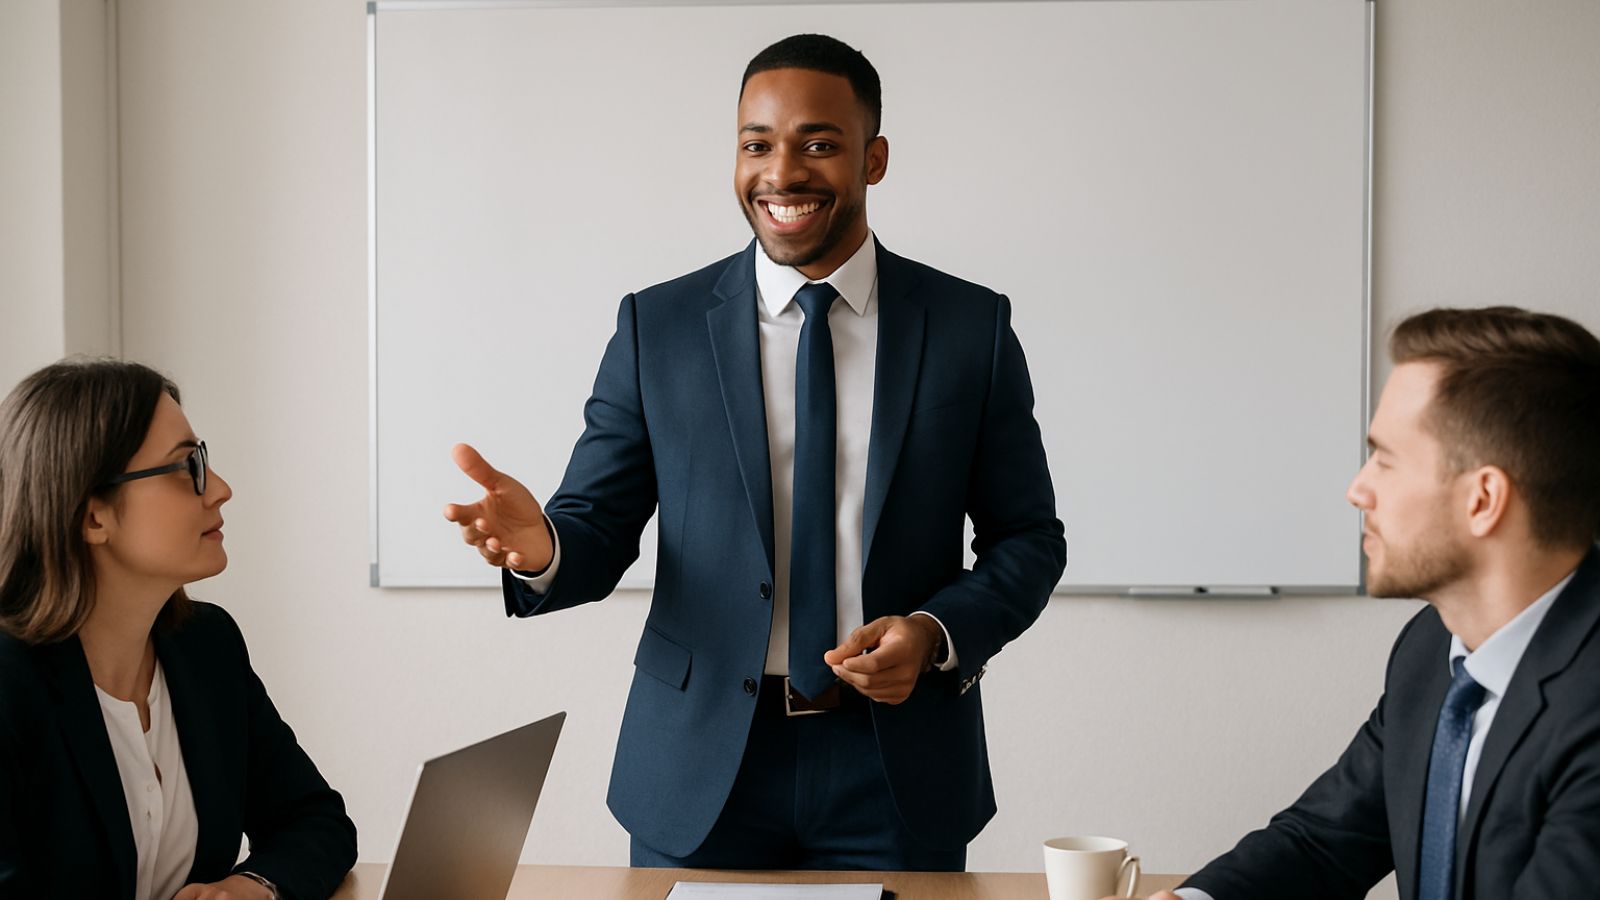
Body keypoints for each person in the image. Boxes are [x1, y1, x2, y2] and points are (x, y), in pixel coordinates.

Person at [444, 33, 1065, 870]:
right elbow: (595, 526)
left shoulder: (968, 329)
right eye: (756, 144)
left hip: (895, 767)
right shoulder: (656, 328)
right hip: (700, 770)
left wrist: (934, 631)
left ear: (873, 159)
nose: (782, 172)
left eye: (819, 143)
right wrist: (545, 548)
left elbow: (1029, 538)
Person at [1104, 307, 1600, 900]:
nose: (1357, 489)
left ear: (1483, 499)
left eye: (1385, 460)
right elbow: (1325, 839)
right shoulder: (1432, 647)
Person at [0, 359, 357, 899]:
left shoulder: (205, 646)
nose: (220, 489)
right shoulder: (9, 683)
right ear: (93, 517)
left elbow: (316, 820)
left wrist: (248, 888)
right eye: (185, 467)